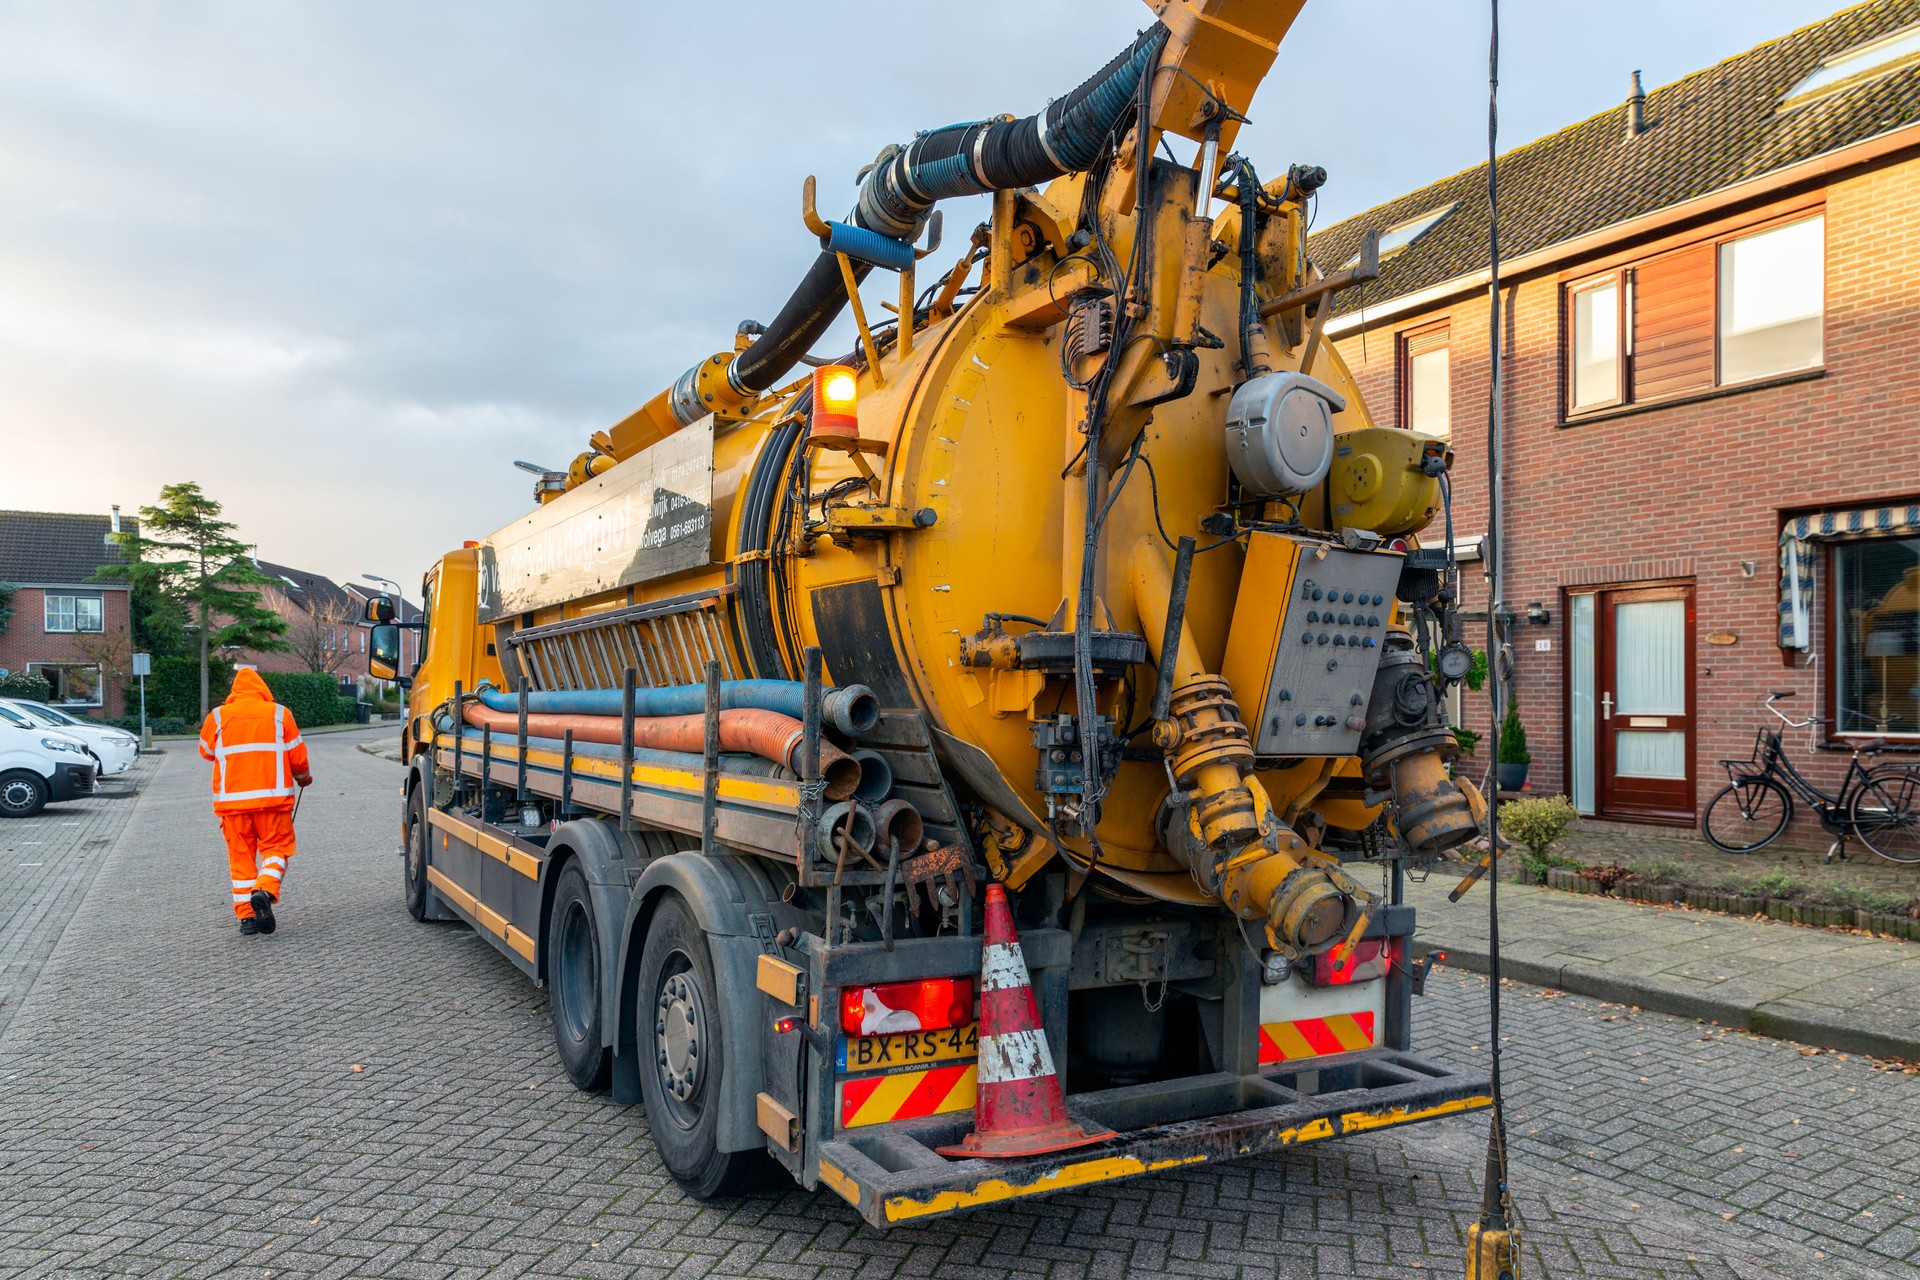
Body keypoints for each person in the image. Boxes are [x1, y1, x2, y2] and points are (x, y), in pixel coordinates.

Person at [198, 669, 312, 935]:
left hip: (232, 806)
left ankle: (247, 920)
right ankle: (265, 889)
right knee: (276, 849)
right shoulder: (279, 714)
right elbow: (298, 757)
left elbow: (205, 751)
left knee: (241, 860)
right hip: (273, 802)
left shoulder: (218, 716)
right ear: (263, 689)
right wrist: (304, 778)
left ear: (234, 691)